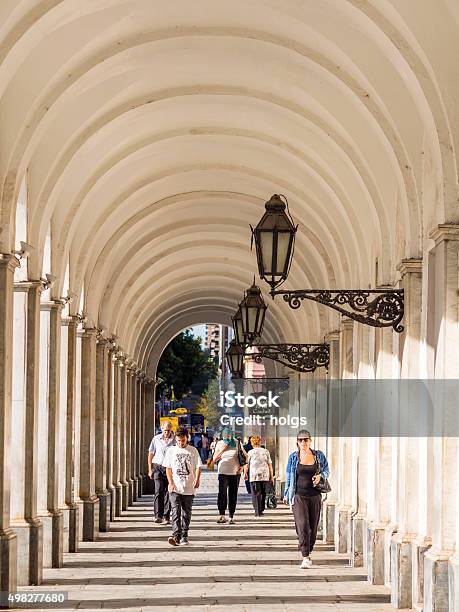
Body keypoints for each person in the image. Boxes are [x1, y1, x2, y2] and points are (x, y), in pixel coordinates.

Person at [283, 430, 329, 569]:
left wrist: (321, 476)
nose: (303, 442)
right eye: (300, 440)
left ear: (310, 440)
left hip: (315, 496)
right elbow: (289, 476)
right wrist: (286, 494)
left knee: (313, 529)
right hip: (299, 496)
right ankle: (305, 556)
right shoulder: (293, 457)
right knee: (302, 525)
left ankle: (308, 548)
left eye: (306, 440)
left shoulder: (318, 455)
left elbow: (326, 469)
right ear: (297, 442)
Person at [163, 426, 202, 546]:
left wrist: (197, 479)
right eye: (179, 440)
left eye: (183, 440)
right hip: (175, 487)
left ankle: (184, 535)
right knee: (175, 511)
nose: (181, 443)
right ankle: (176, 536)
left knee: (186, 513)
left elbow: (198, 467)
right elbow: (168, 468)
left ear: (187, 438)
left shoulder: (193, 450)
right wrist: (170, 482)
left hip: (189, 487)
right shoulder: (171, 451)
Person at [213, 427, 246, 524]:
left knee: (233, 494)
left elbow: (245, 456)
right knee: (222, 493)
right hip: (222, 472)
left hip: (235, 473)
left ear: (232, 434)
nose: (227, 437)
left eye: (228, 435)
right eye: (225, 435)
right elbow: (214, 459)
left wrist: (242, 467)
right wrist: (223, 449)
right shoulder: (219, 443)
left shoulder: (237, 442)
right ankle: (222, 515)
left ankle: (231, 516)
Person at [147, 421, 175, 524]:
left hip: (170, 468)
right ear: (162, 429)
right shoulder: (156, 439)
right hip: (158, 467)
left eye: (169, 430)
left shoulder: (175, 440)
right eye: (165, 430)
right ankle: (158, 515)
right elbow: (151, 454)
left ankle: (166, 516)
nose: (167, 432)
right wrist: (150, 469)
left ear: (171, 429)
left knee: (168, 492)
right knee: (158, 491)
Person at [244, 436, 274, 517]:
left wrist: (245, 473)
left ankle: (257, 511)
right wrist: (272, 476)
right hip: (265, 475)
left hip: (254, 475)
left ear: (252, 443)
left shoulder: (250, 452)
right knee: (263, 493)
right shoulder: (266, 451)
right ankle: (261, 509)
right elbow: (270, 464)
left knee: (255, 493)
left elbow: (247, 464)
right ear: (260, 442)